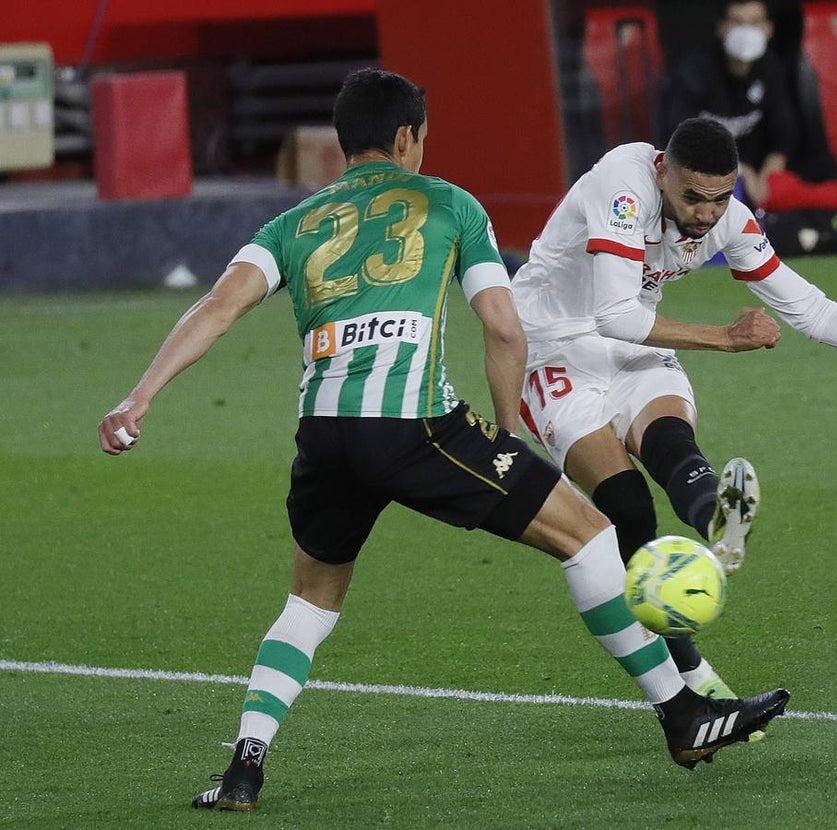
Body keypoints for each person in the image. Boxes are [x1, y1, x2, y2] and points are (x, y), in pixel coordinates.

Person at [97, 71, 790, 812]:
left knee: (310, 600)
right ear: (407, 139)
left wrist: (139, 397)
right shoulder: (452, 204)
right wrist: (506, 426)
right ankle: (683, 714)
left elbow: (218, 305)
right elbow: (501, 323)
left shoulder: (292, 225)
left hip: (323, 435)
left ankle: (245, 766)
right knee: (591, 537)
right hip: (415, 424)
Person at [511, 116, 837, 694]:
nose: (707, 213)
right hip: (552, 345)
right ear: (663, 172)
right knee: (628, 508)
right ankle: (687, 669)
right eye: (693, 197)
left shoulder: (727, 216)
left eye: (720, 197)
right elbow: (615, 314)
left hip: (632, 344)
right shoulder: (621, 186)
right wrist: (727, 338)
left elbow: (807, 306)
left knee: (673, 445)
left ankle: (717, 516)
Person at [658, 0, 837, 213]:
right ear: (721, 28)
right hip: (709, 170)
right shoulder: (692, 73)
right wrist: (738, 169)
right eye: (738, 22)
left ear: (768, 29)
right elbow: (679, 139)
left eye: (754, 22)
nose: (746, 32)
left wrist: (771, 170)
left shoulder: (771, 68)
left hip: (759, 172)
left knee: (819, 169)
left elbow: (785, 132)